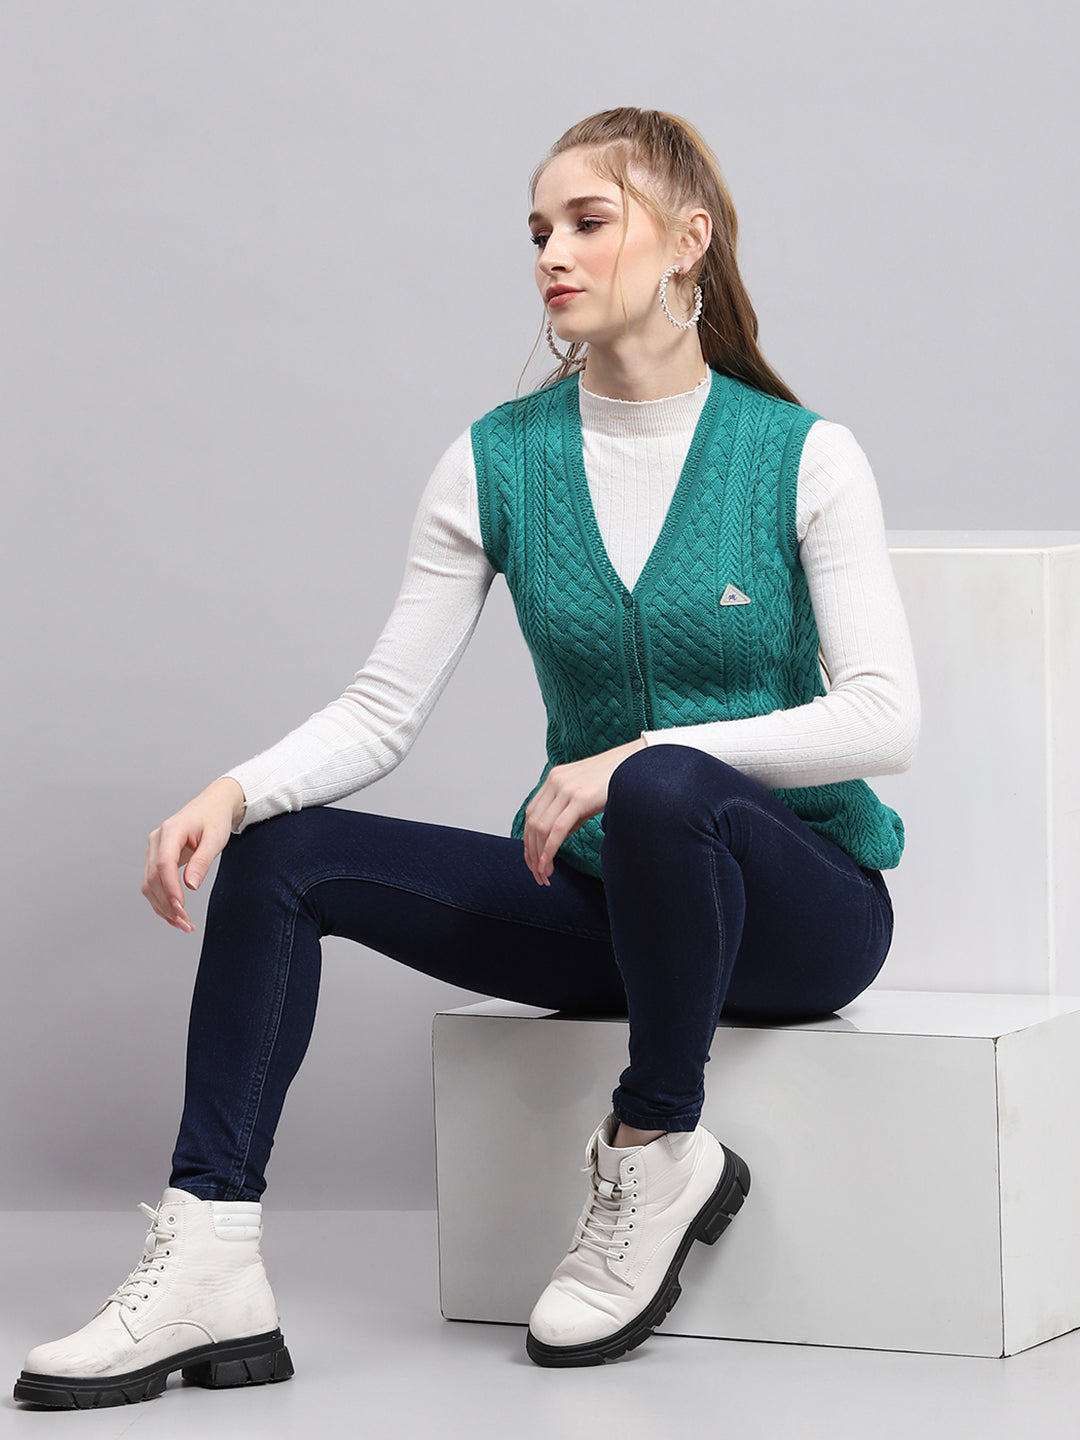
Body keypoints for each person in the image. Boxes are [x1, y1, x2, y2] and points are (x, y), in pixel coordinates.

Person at [14, 107, 919, 1404]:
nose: (552, 252)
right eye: (538, 229)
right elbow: (383, 710)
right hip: (614, 908)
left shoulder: (802, 455)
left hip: (798, 917)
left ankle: (656, 1148)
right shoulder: (500, 460)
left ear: (689, 241)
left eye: (589, 221)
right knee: (283, 857)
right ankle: (210, 1257)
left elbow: (885, 716)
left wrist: (645, 753)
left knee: (664, 785)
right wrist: (232, 790)